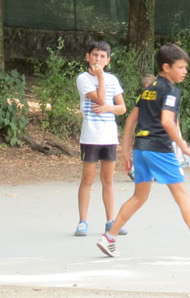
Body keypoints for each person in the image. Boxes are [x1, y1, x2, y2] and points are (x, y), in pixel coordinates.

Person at [96, 44, 190, 261]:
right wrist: (186, 148)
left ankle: (109, 237)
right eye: (180, 67)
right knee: (182, 195)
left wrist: (125, 151)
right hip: (159, 150)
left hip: (141, 149)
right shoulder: (171, 91)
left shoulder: (149, 89)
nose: (185, 71)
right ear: (166, 67)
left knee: (139, 197)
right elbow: (167, 122)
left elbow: (131, 120)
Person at [74, 41, 128, 237]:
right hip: (90, 136)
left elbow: (122, 108)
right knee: (87, 179)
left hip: (109, 137)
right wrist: (100, 79)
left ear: (108, 60)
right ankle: (83, 221)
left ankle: (111, 221)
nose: (98, 59)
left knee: (108, 179)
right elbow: (100, 99)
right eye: (95, 55)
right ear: (87, 56)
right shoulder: (83, 78)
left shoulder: (113, 79)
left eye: (102, 56)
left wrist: (109, 109)